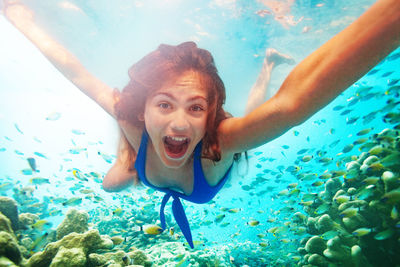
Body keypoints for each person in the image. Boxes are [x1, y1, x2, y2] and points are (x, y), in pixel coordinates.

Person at [2, 0, 399, 248]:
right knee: (113, 180)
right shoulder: (131, 116)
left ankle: (268, 64)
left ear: (210, 114)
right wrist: (21, 18)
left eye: (195, 108)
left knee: (250, 124)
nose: (179, 123)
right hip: (139, 139)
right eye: (164, 104)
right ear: (146, 109)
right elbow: (77, 72)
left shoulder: (219, 139)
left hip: (216, 150)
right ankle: (130, 153)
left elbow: (290, 105)